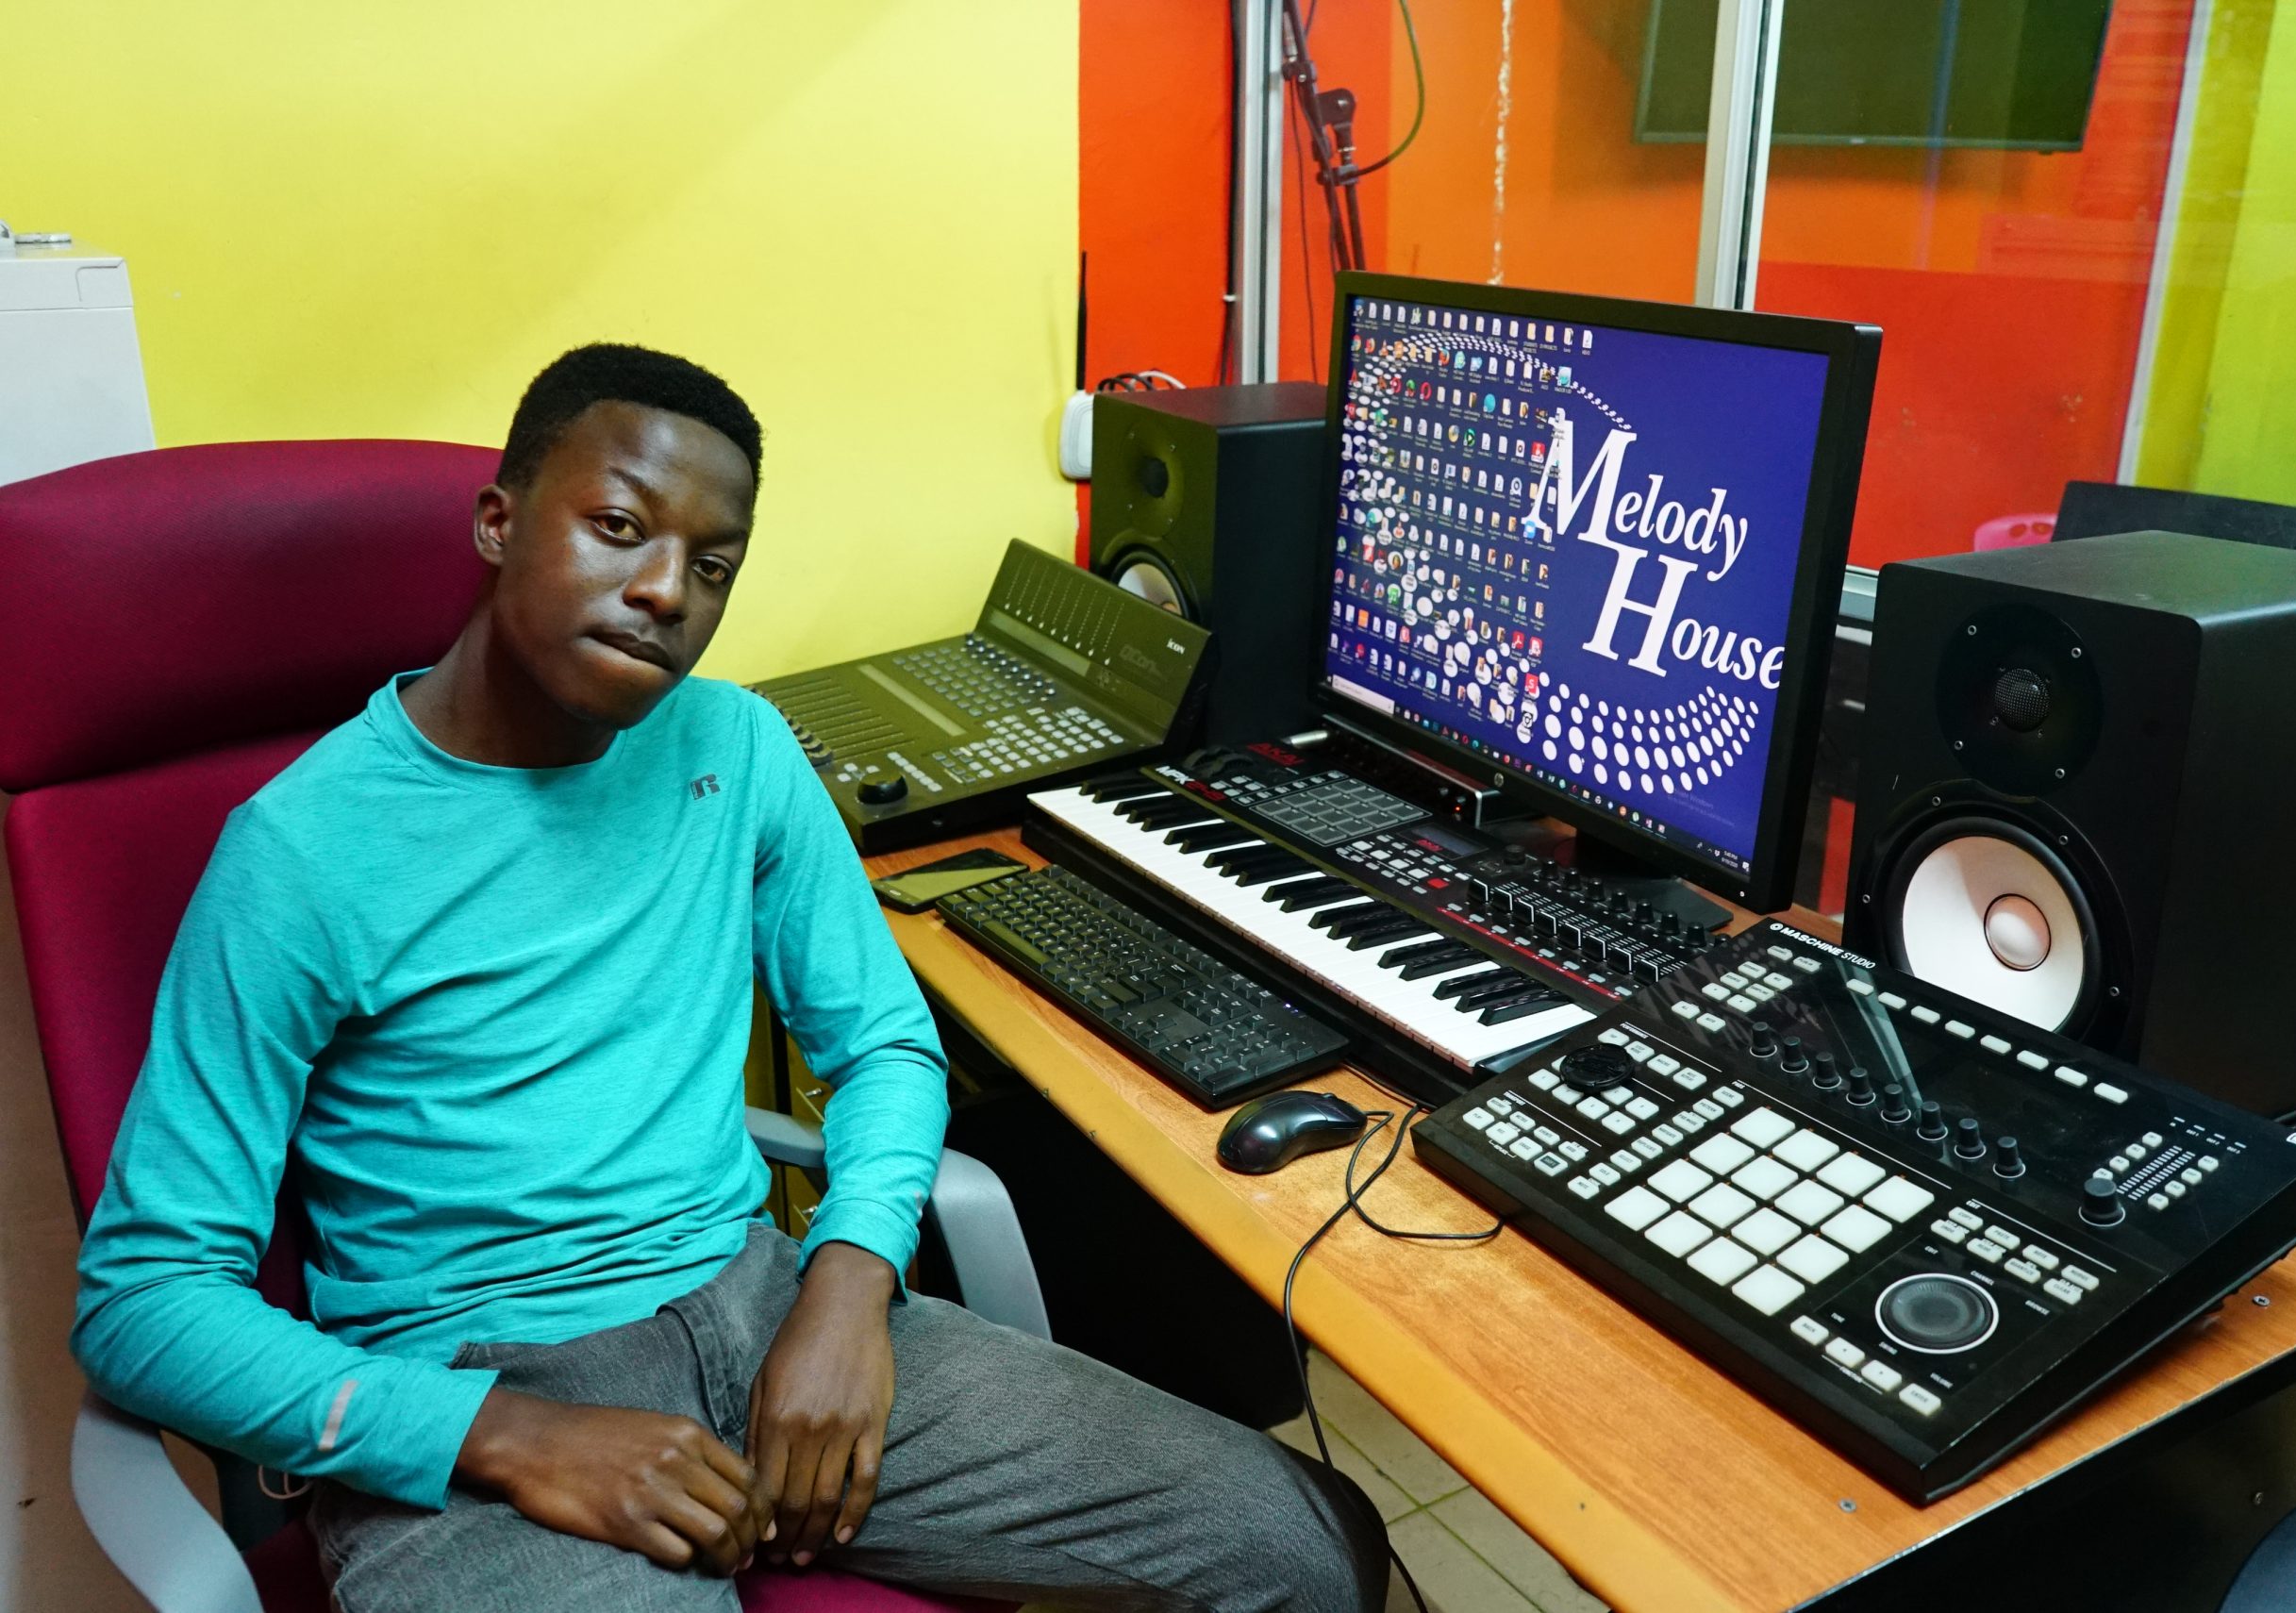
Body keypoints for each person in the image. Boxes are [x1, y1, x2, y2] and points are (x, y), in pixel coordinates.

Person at [72, 344, 1389, 1612]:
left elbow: (882, 1041)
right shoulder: (302, 851)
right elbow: (144, 1298)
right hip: (478, 1386)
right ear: (496, 521)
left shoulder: (736, 745)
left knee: (1308, 1541)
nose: (665, 593)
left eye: (712, 565)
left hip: (759, 1301)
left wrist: (848, 1281)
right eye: (618, 526)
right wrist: (513, 1434)